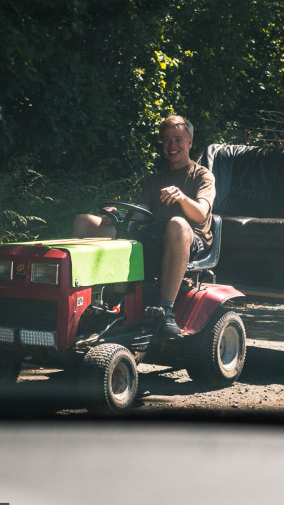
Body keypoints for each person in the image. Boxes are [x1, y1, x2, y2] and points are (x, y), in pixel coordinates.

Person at [72, 114, 215, 338]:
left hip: (190, 240)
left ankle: (165, 311)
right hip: (152, 236)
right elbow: (139, 214)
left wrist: (181, 198)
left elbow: (201, 214)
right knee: (84, 221)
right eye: (167, 140)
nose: (172, 145)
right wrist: (117, 215)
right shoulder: (155, 179)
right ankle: (84, 302)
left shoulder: (202, 175)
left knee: (177, 223)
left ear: (189, 142)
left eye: (178, 139)